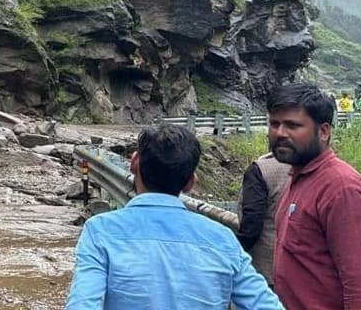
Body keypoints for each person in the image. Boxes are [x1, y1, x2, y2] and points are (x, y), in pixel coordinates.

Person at [65, 124, 282, 310]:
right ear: (191, 183)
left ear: (133, 163)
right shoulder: (222, 239)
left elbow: (82, 303)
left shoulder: (100, 231)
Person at [268, 83, 361, 310]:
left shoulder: (342, 189)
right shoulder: (298, 177)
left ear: (323, 131)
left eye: (292, 125)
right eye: (274, 124)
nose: (280, 133)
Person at [236, 152, 289, 285]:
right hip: (307, 273)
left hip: (267, 269)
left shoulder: (262, 169)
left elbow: (252, 224)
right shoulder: (321, 169)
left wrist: (235, 251)